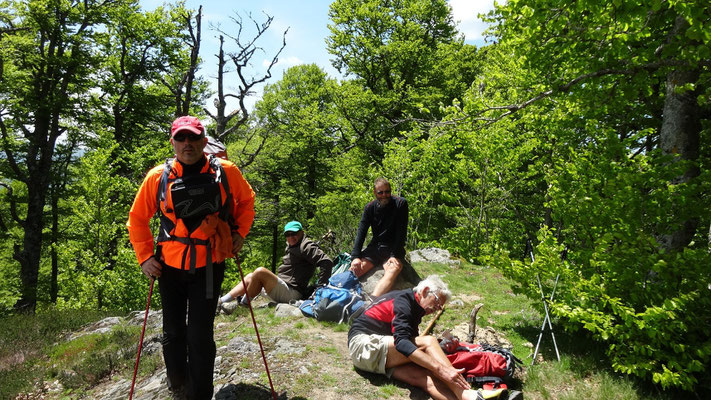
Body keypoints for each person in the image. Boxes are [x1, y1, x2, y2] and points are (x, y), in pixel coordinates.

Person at [126, 115, 255, 400]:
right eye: (181, 138)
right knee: (172, 333)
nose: (188, 143)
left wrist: (240, 233)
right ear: (172, 142)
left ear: (204, 141)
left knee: (199, 335)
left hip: (209, 265)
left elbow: (247, 201)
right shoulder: (157, 177)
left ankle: (200, 395)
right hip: (168, 267)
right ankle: (178, 386)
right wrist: (145, 257)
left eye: (194, 137)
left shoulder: (227, 171)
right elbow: (136, 218)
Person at [348, 275, 479, 400]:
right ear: (425, 291)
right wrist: (442, 369)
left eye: (440, 307)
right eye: (437, 302)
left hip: (373, 357)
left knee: (427, 379)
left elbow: (411, 344)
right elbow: (402, 343)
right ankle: (465, 394)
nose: (437, 308)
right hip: (363, 345)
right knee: (429, 342)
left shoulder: (415, 308)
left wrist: (441, 347)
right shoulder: (403, 300)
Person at [218, 220, 333, 309]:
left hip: (292, 292)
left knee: (260, 272)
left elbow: (327, 262)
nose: (290, 237)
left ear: (301, 232)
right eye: (287, 234)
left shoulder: (306, 246)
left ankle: (243, 305)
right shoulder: (293, 245)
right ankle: (221, 302)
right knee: (250, 276)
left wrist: (321, 287)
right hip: (283, 288)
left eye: (294, 233)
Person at [350, 177, 409, 297]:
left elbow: (401, 232)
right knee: (355, 270)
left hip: (393, 248)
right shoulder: (369, 208)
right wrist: (355, 257)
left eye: (387, 191)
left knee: (392, 270)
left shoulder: (400, 204)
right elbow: (361, 231)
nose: (384, 195)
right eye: (380, 192)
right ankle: (333, 294)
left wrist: (395, 255)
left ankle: (372, 301)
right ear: (374, 193)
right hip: (375, 248)